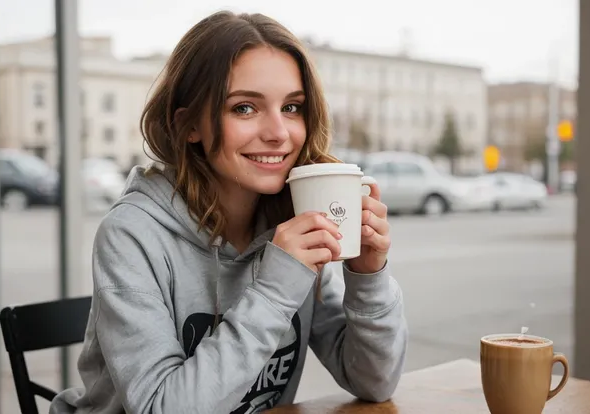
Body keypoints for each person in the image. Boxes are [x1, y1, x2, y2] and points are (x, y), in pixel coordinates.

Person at [49, 10, 407, 414]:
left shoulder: (291, 222)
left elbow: (374, 382)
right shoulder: (131, 234)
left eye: (292, 107)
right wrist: (275, 287)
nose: (278, 133)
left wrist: (369, 275)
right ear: (189, 125)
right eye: (244, 108)